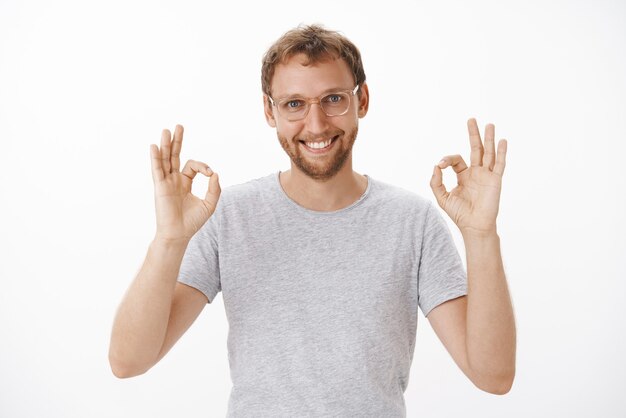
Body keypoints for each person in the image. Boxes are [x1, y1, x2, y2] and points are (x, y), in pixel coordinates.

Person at [109, 24, 516, 416]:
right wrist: (168, 241)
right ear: (270, 111)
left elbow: (493, 376)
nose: (316, 124)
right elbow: (128, 361)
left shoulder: (413, 222)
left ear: (363, 100)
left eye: (334, 99)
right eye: (294, 104)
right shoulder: (229, 216)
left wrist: (481, 235)